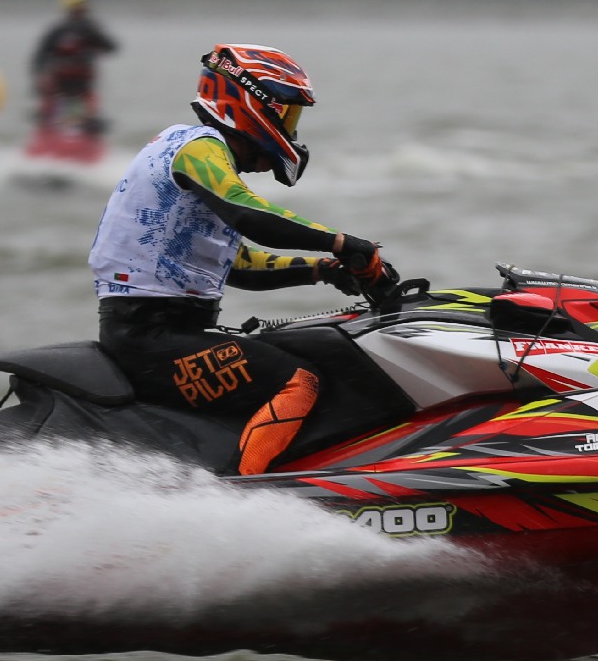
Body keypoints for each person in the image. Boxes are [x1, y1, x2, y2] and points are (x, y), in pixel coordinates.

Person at [87, 43, 397, 476]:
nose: (291, 129)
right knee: (298, 380)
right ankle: (243, 495)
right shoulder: (198, 148)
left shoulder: (190, 150)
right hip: (148, 336)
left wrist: (322, 270)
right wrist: (343, 243)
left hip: (162, 332)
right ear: (252, 103)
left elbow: (238, 264)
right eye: (287, 114)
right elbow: (249, 212)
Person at [29, 0, 117, 135]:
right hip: (62, 82)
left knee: (87, 111)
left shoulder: (89, 29)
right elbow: (40, 57)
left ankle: (84, 131)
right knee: (51, 109)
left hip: (81, 82)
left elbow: (110, 47)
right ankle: (50, 129)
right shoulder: (61, 31)